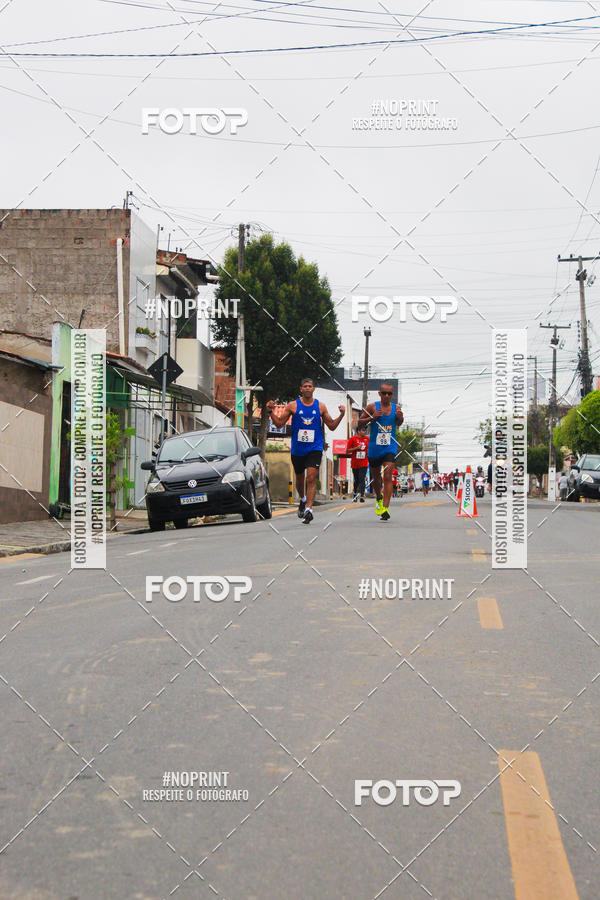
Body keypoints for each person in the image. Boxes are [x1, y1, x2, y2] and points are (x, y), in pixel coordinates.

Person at [266, 378, 345, 524]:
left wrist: (341, 415)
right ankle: (302, 499)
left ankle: (309, 509)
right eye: (305, 386)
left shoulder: (320, 407)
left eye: (310, 386)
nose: (308, 388)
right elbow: (278, 424)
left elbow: (332, 426)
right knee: (300, 479)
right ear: (301, 389)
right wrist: (270, 412)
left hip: (315, 447)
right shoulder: (292, 406)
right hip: (298, 449)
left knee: (311, 478)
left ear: (313, 389)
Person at [358, 381, 404, 522]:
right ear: (379, 394)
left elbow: (399, 423)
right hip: (374, 448)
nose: (386, 395)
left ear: (392, 395)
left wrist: (400, 417)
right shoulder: (372, 407)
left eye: (389, 393)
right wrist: (372, 418)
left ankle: (385, 508)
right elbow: (359, 423)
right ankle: (379, 497)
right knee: (376, 478)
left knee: (388, 474)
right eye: (384, 393)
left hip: (389, 446)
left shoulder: (396, 408)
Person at [347, 425, 369, 502]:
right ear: (358, 431)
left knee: (361, 478)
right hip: (355, 463)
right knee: (356, 479)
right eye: (363, 430)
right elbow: (347, 451)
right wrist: (357, 448)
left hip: (364, 462)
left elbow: (370, 449)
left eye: (365, 430)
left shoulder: (367, 439)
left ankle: (362, 496)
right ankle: (355, 493)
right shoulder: (352, 439)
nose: (364, 431)